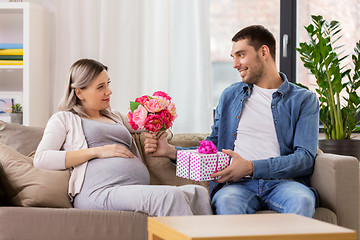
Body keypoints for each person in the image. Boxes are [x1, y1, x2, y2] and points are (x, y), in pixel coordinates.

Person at [144, 25, 319, 217]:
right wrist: (171, 152)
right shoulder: (230, 95)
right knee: (227, 202)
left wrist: (252, 167)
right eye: (233, 57)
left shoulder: (303, 99)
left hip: (284, 183)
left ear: (263, 52)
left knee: (303, 200)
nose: (235, 64)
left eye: (241, 55)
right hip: (237, 185)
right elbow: (213, 147)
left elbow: (305, 159)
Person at [33, 58, 212, 216]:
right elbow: (41, 159)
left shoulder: (115, 117)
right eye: (100, 87)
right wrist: (98, 151)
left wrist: (162, 133)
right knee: (170, 197)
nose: (109, 91)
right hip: (97, 192)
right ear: (79, 92)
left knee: (198, 193)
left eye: (108, 83)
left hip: (129, 189)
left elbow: (154, 123)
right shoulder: (64, 119)